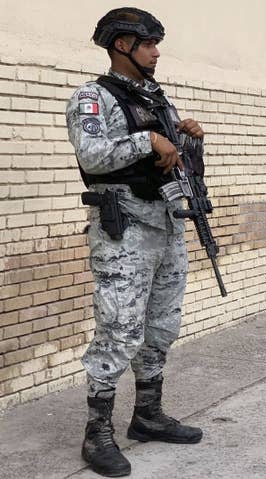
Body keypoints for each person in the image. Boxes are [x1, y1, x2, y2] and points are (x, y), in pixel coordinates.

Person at [66, 8, 204, 477]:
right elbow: (91, 155)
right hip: (124, 228)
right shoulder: (93, 97)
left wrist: (188, 141)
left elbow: (174, 162)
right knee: (119, 328)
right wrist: (149, 140)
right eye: (148, 44)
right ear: (122, 45)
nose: (157, 52)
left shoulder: (156, 99)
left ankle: (147, 415)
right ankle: (97, 433)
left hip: (167, 224)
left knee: (162, 323)